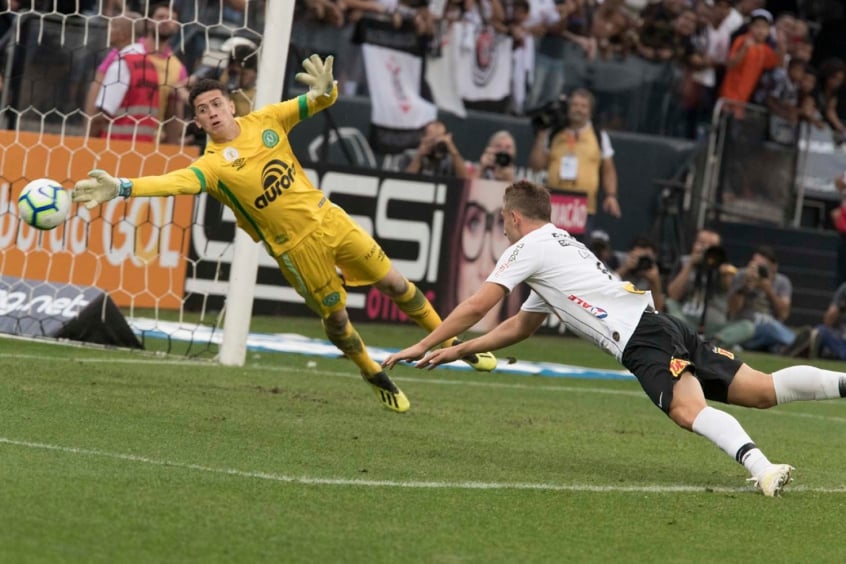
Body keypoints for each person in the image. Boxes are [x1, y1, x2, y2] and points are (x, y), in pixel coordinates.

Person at [71, 54, 497, 414]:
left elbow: (318, 100)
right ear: (198, 122)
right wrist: (123, 187)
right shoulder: (213, 165)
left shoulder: (268, 119)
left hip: (329, 219)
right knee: (337, 318)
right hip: (295, 251)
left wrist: (327, 89)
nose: (213, 112)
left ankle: (458, 345)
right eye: (202, 110)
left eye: (217, 103)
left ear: (230, 105)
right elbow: (171, 183)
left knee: (396, 283)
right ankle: (370, 368)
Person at [383, 180, 846, 496]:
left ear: (513, 217)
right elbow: (521, 324)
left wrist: (425, 342)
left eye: (504, 222)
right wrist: (459, 350)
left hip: (641, 339)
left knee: (689, 411)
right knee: (762, 391)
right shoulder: (562, 247)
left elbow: (478, 305)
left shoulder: (527, 247)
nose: (503, 230)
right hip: (662, 324)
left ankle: (763, 470)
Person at [528, 88, 621, 234]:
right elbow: (536, 166)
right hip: (555, 204)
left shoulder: (599, 136)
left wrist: (611, 195)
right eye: (575, 105)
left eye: (583, 106)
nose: (578, 109)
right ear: (568, 108)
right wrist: (541, 135)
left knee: (577, 252)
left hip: (582, 207)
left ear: (590, 111)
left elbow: (608, 169)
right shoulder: (555, 134)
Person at [665, 228, 753, 348]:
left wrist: (726, 279)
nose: (705, 249)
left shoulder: (726, 269)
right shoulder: (684, 262)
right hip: (687, 320)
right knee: (670, 303)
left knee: (748, 326)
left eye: (711, 246)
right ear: (694, 244)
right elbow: (673, 295)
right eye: (701, 243)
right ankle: (687, 337)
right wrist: (690, 265)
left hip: (715, 326)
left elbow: (734, 308)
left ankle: (715, 343)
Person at [726, 246, 797, 353]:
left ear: (774, 267)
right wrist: (744, 286)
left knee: (773, 335)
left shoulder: (782, 281)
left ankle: (787, 347)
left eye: (763, 268)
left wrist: (768, 290)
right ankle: (796, 343)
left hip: (770, 331)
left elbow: (783, 314)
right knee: (771, 329)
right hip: (747, 327)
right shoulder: (742, 275)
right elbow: (733, 310)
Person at [398, 120, 469, 179]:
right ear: (423, 138)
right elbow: (405, 180)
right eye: (432, 139)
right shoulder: (410, 155)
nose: (435, 144)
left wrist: (454, 152)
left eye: (439, 139)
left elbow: (465, 180)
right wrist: (419, 156)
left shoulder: (450, 159)